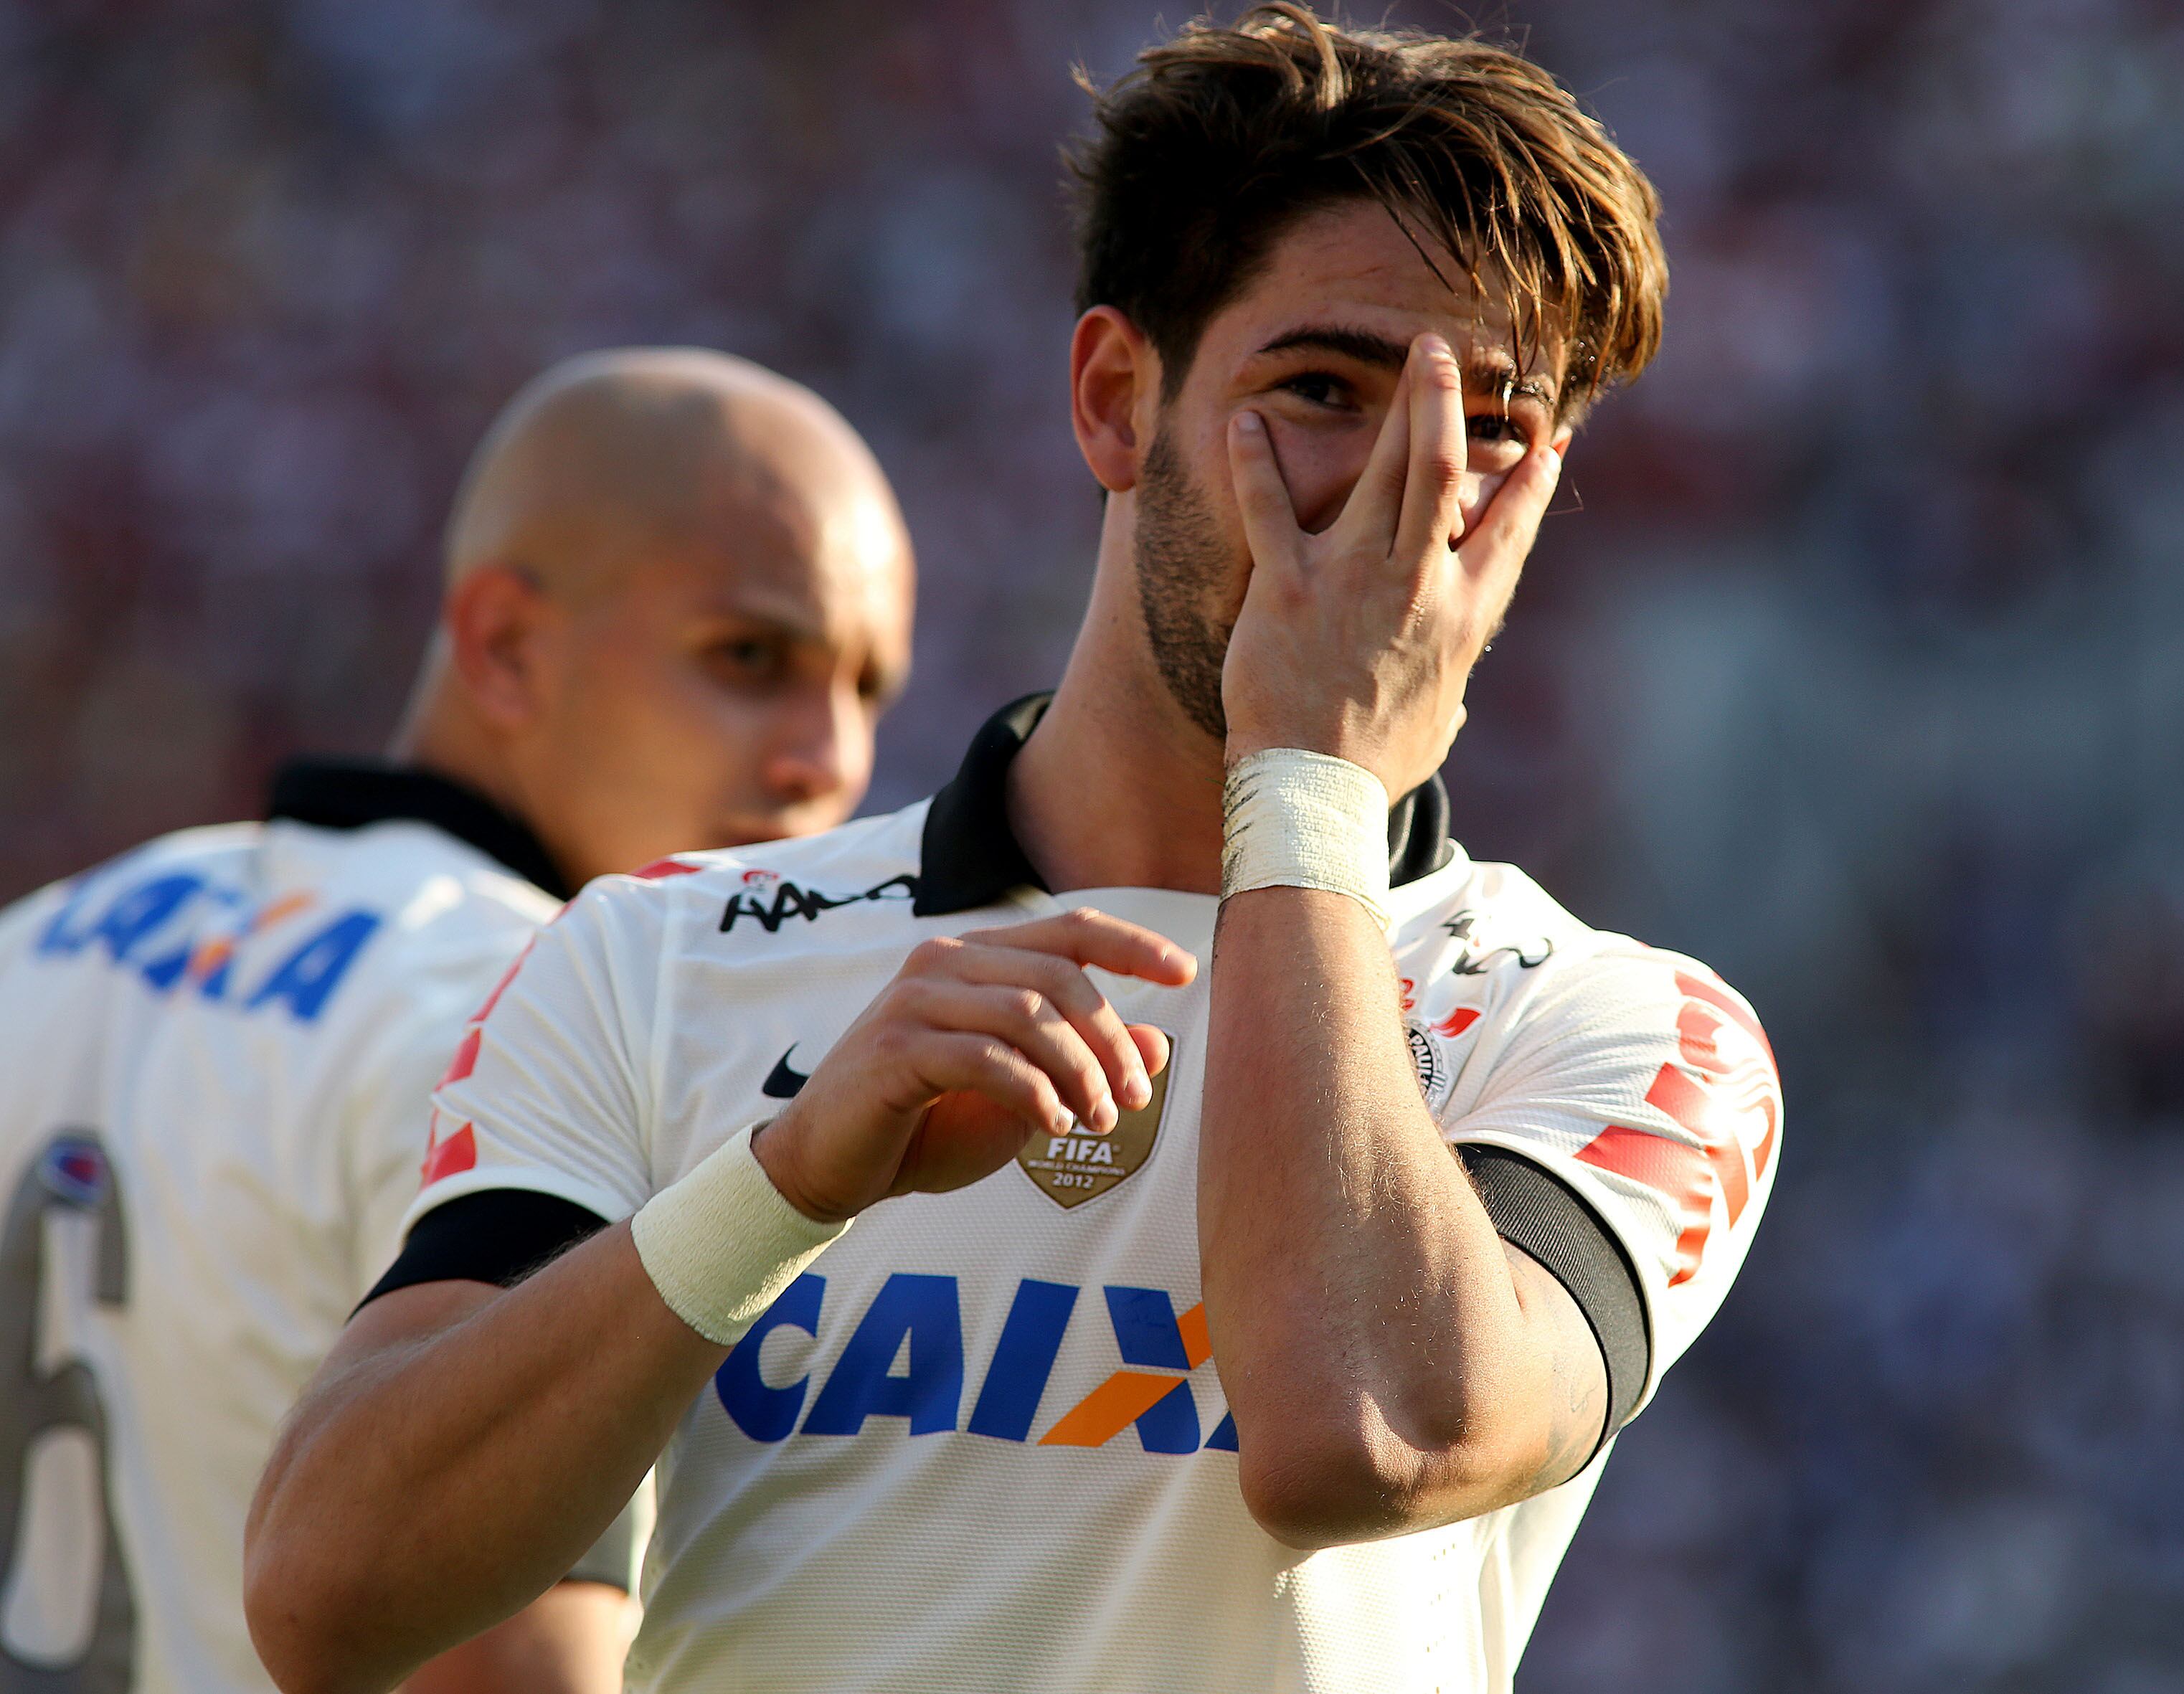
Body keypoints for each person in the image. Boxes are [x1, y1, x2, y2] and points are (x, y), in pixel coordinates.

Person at [245, 10, 1779, 1693]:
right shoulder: (657, 958)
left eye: (1487, 425)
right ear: (1117, 400)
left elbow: (1362, 1428)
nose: (1396, 489)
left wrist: (1309, 780)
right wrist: (779, 1187)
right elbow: (328, 1594)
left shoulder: (1624, 1029)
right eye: (1323, 390)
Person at [0, 346, 914, 1694]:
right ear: (502, 644)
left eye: (866, 689)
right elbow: (517, 1673)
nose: (825, 762)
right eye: (749, 656)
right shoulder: (546, 1021)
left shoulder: (47, 932)